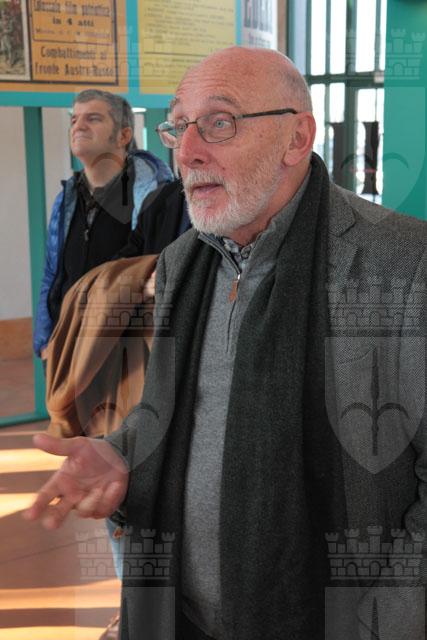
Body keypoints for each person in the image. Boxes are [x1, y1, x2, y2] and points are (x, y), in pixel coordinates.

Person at [26, 47, 427, 640]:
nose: (187, 152)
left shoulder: (403, 265)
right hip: (184, 620)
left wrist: (384, 624)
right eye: (178, 126)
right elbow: (183, 412)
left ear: (297, 137)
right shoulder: (183, 261)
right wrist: (121, 453)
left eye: (219, 122)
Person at [33, 89, 173, 361]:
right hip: (69, 347)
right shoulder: (66, 198)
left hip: (127, 355)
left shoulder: (154, 197)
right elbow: (52, 272)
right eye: (74, 119)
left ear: (123, 135)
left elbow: (160, 278)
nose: (78, 126)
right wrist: (44, 339)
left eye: (93, 118)